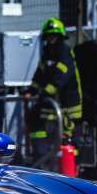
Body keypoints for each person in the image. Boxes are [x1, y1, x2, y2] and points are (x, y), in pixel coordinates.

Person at [26, 17, 82, 151]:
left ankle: (70, 169)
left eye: (54, 36)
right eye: (49, 36)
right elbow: (39, 75)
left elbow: (60, 78)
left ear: (60, 37)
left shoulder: (64, 52)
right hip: (51, 104)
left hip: (67, 106)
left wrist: (44, 92)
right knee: (36, 123)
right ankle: (41, 158)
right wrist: (31, 91)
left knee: (67, 143)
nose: (51, 39)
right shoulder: (47, 53)